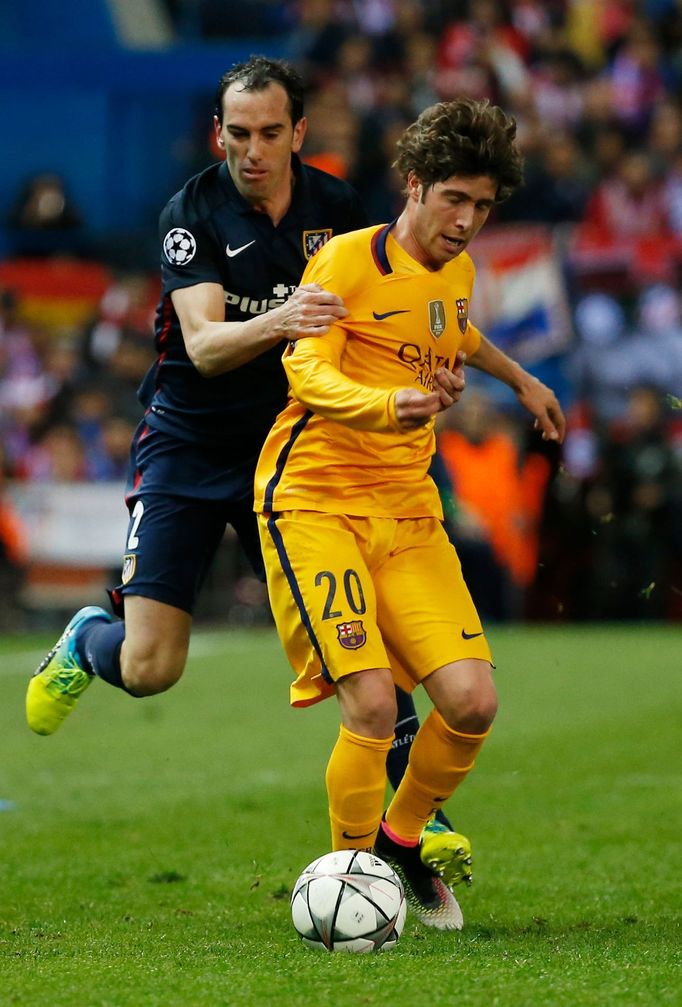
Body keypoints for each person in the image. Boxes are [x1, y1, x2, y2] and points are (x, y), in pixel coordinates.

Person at [24, 57, 471, 884]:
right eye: (239, 133)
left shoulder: (336, 210)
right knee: (153, 667)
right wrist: (286, 317)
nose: (254, 150)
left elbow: (387, 316)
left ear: (298, 133)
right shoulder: (190, 213)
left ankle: (415, 813)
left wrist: (432, 376)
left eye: (271, 133)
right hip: (188, 444)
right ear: (217, 134)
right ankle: (92, 640)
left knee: (358, 627)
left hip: (296, 454)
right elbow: (202, 345)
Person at [253, 97, 565, 930]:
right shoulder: (346, 263)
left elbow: (457, 335)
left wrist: (520, 379)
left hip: (408, 511)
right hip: (315, 501)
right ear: (415, 184)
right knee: (369, 705)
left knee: (471, 702)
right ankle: (351, 887)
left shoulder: (457, 273)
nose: (467, 222)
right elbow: (306, 374)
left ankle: (399, 844)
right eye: (455, 199)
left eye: (484, 206)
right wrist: (382, 402)